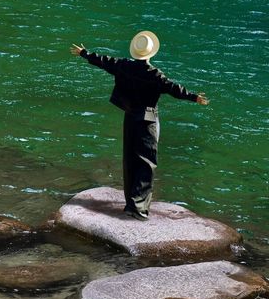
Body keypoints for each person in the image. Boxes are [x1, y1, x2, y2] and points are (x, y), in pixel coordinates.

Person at [70, 31, 209, 221]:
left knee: (130, 160)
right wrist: (195, 97)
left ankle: (130, 203)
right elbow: (174, 89)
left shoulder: (124, 66)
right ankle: (138, 208)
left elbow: (105, 61)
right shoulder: (154, 74)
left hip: (130, 117)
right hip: (148, 121)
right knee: (147, 163)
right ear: (151, 53)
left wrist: (85, 53)